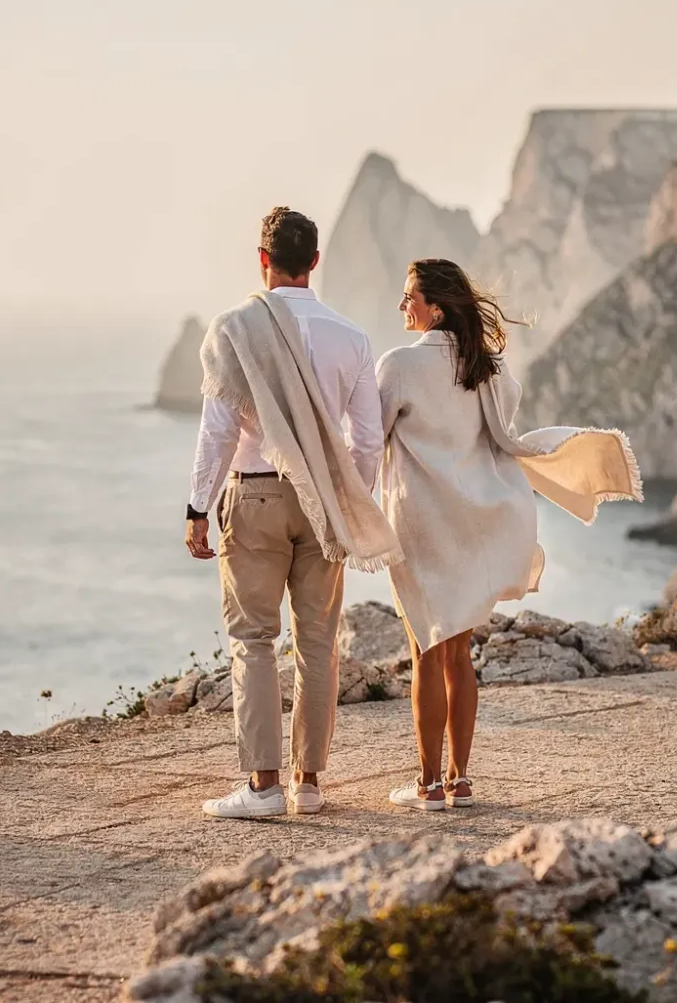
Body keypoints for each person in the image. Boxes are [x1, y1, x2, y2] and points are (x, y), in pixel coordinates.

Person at [376, 258, 641, 811]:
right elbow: (501, 432)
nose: (402, 305)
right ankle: (461, 779)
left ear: (436, 309)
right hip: (473, 521)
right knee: (458, 655)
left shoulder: (398, 365)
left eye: (409, 297)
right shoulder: (487, 368)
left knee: (425, 649)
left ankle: (426, 785)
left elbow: (370, 438)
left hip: (420, 523)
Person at [185, 207, 401, 819]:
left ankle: (263, 788)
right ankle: (308, 783)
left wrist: (198, 506)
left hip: (253, 494)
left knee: (253, 639)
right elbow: (366, 441)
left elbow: (218, 432)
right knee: (318, 642)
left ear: (263, 260)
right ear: (314, 263)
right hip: (322, 502)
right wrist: (347, 504)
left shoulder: (232, 329)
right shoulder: (352, 338)